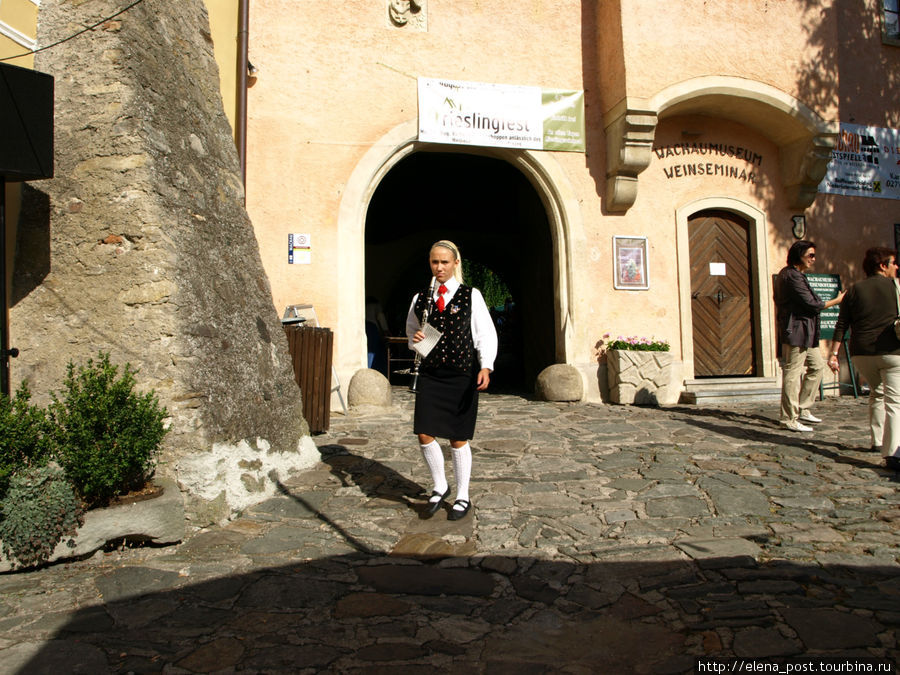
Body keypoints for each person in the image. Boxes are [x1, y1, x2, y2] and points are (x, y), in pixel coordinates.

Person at [405, 240, 498, 520]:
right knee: (424, 432)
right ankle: (440, 485)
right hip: (432, 374)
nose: (439, 267)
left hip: (461, 374)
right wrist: (417, 339)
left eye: (445, 262)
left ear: (456, 263)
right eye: (435, 262)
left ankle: (462, 495)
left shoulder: (472, 295)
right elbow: (413, 333)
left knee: (458, 438)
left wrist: (486, 366)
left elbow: (484, 333)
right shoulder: (422, 298)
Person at [829, 247, 900, 470]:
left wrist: (833, 353)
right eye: (893, 263)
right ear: (882, 265)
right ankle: (893, 453)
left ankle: (877, 441)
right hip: (891, 352)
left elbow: (842, 324)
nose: (896, 267)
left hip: (861, 353)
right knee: (895, 402)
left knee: (876, 394)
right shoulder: (895, 286)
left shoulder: (854, 290)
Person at [774, 240, 844, 432]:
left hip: (807, 332)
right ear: (799, 255)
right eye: (810, 255)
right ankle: (788, 418)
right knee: (792, 372)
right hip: (796, 331)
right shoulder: (791, 276)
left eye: (814, 255)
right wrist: (837, 301)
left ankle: (802, 408)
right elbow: (813, 304)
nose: (814, 259)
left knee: (817, 366)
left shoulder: (796, 275)